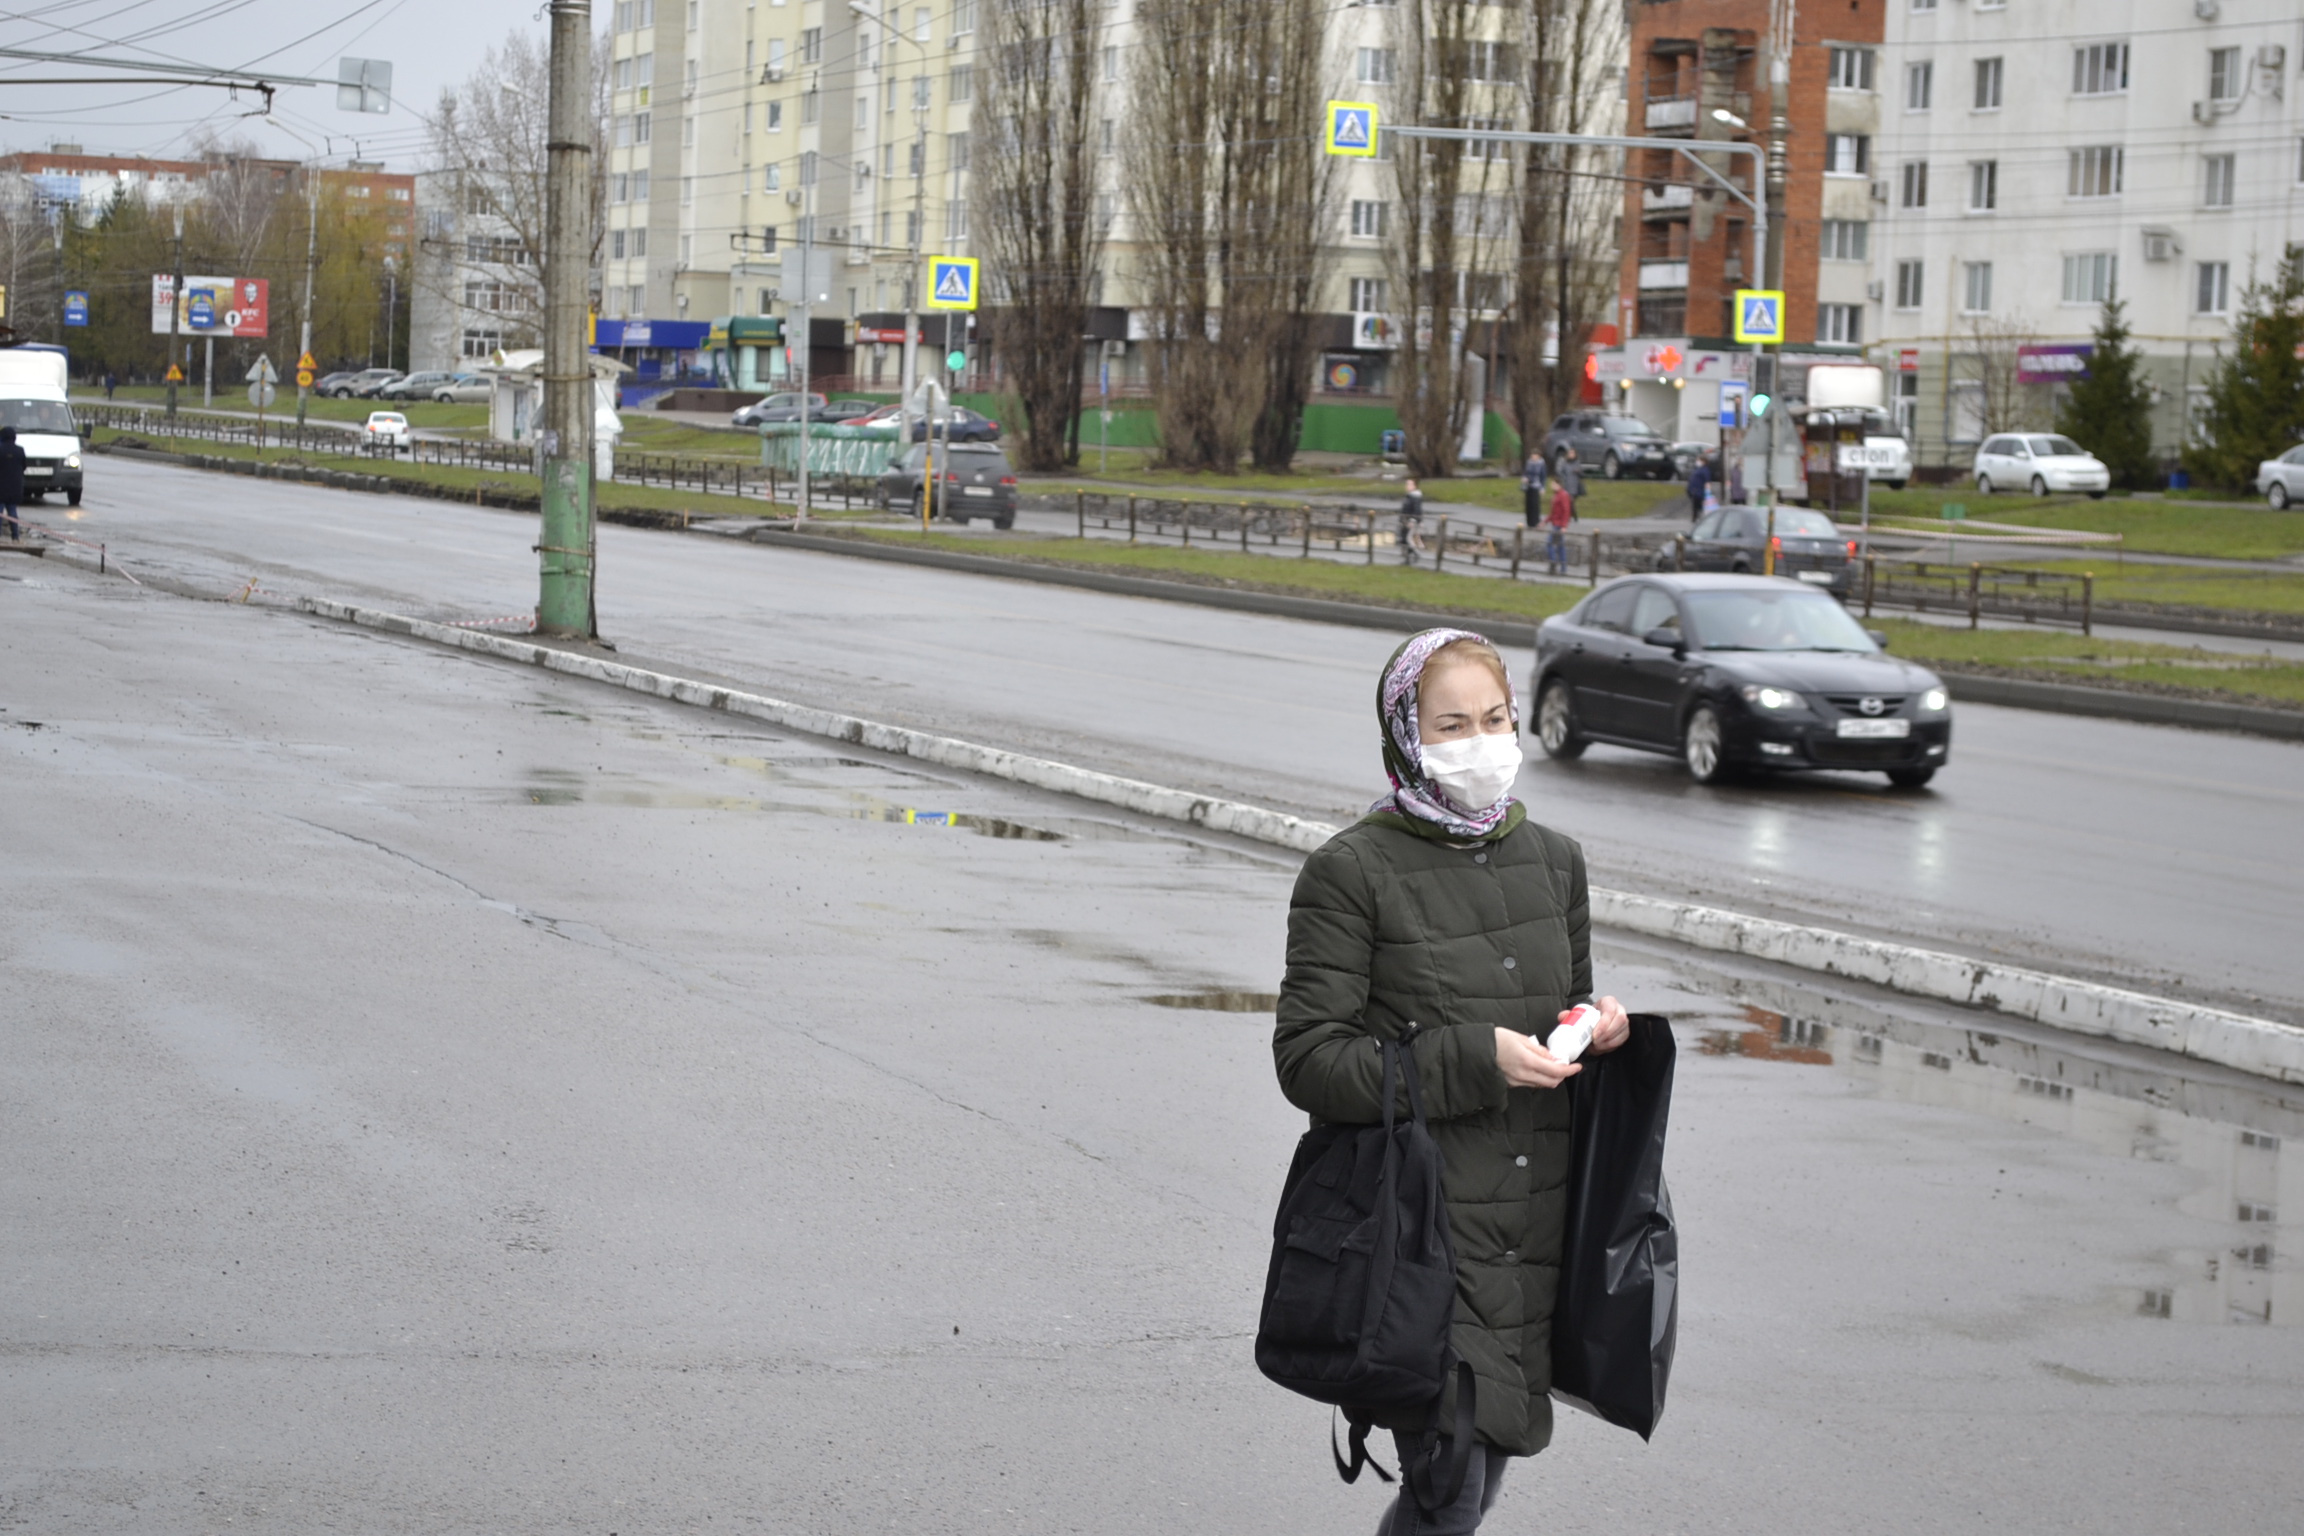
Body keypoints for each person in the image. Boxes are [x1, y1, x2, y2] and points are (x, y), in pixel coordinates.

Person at [1275, 629, 1632, 1536]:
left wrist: (1598, 1031)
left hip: (1535, 1226)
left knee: (1480, 1471)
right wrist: (1475, 1058)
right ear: (1405, 736)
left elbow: (1564, 1007)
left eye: (1496, 718)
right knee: (1454, 1486)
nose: (1481, 742)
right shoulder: (1350, 872)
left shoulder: (1555, 861)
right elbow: (1309, 1059)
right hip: (1419, 1234)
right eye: (1451, 725)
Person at [1543, 476, 1574, 576]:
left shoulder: (1563, 495)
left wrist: (1564, 526)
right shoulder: (1556, 495)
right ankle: (1562, 568)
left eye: (1553, 484)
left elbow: (1566, 511)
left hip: (1559, 525)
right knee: (1560, 546)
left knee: (1550, 543)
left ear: (1558, 485)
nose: (1551, 486)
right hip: (1555, 523)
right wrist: (1545, 521)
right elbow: (1553, 512)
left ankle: (1553, 563)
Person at [0, 427, 24, 542]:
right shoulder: (20, 450)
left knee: (0, 513)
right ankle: (15, 536)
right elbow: (24, 466)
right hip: (14, 487)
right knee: (12, 512)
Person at [1397, 478, 1425, 565]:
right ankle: (1408, 556)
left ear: (1415, 486)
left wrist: (1413, 520)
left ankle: (1415, 554)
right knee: (1405, 537)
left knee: (1408, 538)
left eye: (1410, 484)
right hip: (1406, 520)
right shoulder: (1409, 496)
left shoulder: (1415, 497)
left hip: (1411, 521)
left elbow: (1417, 510)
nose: (1407, 486)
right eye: (1407, 484)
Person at [1519, 450, 1548, 528]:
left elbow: (1543, 476)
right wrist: (1524, 478)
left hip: (1536, 485)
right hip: (1528, 485)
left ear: (1538, 456)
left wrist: (1542, 487)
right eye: (1532, 455)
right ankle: (1529, 521)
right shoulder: (1529, 463)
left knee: (1535, 504)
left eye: (1535, 455)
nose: (1533, 457)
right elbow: (1525, 472)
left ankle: (1536, 521)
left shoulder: (1541, 464)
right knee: (1528, 504)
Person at [1685, 453, 1711, 522]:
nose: (1697, 462)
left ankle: (1698, 519)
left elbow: (1707, 482)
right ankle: (1695, 518)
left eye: (1699, 460)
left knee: (1698, 507)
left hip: (1699, 492)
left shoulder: (1705, 470)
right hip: (1694, 491)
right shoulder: (1698, 469)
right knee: (1695, 506)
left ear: (1703, 461)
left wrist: (1707, 493)